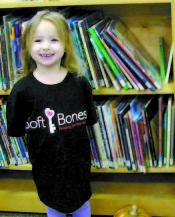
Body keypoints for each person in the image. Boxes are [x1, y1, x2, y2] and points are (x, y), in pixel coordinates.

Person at [6, 11, 98, 217]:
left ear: (65, 44)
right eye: (38, 40)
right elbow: (15, 129)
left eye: (54, 39)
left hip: (78, 167)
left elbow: (89, 120)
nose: (46, 46)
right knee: (53, 206)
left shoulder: (80, 83)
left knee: (82, 205)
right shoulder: (22, 91)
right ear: (27, 46)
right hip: (46, 168)